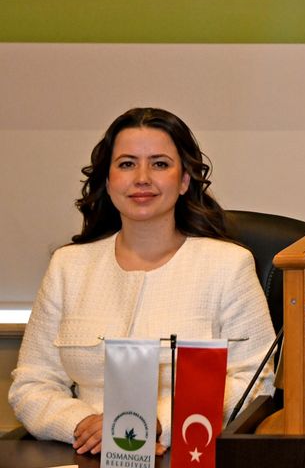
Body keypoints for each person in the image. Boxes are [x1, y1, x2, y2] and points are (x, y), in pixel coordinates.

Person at [9, 108, 276, 455]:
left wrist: (156, 421)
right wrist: (84, 425)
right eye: (127, 164)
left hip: (185, 451)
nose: (142, 178)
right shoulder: (68, 267)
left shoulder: (228, 265)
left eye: (160, 164)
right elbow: (32, 384)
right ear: (108, 181)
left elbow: (254, 382)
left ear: (184, 181)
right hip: (84, 452)